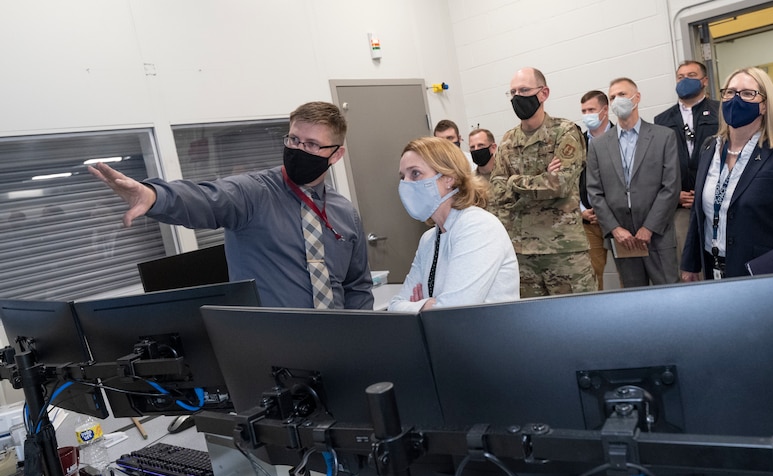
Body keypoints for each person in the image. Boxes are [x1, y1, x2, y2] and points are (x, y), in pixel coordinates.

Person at [88, 101, 374, 309]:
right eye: (293, 139)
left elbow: (357, 285)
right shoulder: (253, 193)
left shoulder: (345, 213)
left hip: (336, 346)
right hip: (273, 351)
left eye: (311, 145)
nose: (298, 149)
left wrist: (359, 337)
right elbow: (206, 198)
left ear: (336, 155)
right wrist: (153, 196)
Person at [681, 67, 773, 280]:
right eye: (730, 92)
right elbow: (698, 214)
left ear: (765, 105)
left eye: (748, 93)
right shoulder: (710, 148)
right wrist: (690, 263)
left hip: (764, 275)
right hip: (714, 270)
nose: (735, 99)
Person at [490, 67, 595, 297]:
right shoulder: (508, 140)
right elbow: (496, 192)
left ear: (543, 93)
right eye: (513, 92)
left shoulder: (564, 131)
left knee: (578, 321)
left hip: (563, 251)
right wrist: (538, 179)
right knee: (531, 325)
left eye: (524, 90)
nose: (518, 97)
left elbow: (558, 185)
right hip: (521, 252)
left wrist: (514, 182)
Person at [389, 137, 519, 312]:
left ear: (448, 178)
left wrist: (418, 305)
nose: (405, 183)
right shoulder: (428, 239)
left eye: (415, 173)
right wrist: (429, 304)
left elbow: (453, 312)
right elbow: (395, 307)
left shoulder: (478, 226)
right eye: (402, 176)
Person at [586, 77, 680, 287]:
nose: (617, 100)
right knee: (634, 299)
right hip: (623, 239)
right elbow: (595, 192)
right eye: (612, 97)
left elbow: (670, 187)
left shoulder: (663, 137)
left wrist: (649, 227)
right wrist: (615, 229)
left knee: (670, 296)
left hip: (658, 234)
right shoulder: (599, 146)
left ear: (636, 98)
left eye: (622, 95)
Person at [654, 61, 720, 265]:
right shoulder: (662, 120)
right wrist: (675, 195)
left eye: (691, 75)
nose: (685, 80)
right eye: (680, 77)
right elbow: (657, 165)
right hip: (681, 206)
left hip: (715, 201)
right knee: (688, 264)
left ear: (705, 81)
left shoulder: (722, 112)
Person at [579, 90, 612, 290]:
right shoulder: (577, 143)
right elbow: (571, 181)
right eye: (583, 110)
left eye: (591, 109)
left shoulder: (622, 137)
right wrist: (581, 209)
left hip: (620, 221)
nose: (587, 115)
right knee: (592, 274)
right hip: (588, 220)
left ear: (605, 110)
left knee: (630, 273)